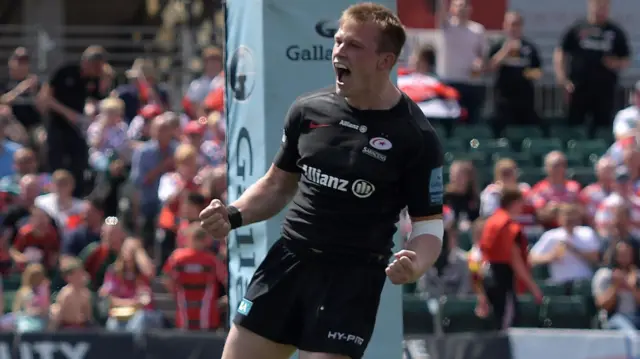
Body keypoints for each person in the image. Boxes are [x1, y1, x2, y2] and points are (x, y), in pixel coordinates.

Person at [199, 3, 444, 359]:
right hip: (287, 263)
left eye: (355, 46)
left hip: (351, 281)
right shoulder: (308, 110)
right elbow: (276, 185)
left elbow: (429, 227)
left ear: (385, 61)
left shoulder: (417, 137)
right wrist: (232, 215)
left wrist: (416, 263)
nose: (340, 52)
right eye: (339, 41)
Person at [553, 0, 630, 136]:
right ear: (591, 6)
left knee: (603, 127)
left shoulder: (615, 32)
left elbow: (625, 59)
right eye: (598, 5)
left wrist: (615, 63)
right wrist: (562, 79)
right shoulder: (578, 28)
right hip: (579, 88)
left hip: (605, 90)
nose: (601, 9)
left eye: (604, 6)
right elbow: (561, 52)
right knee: (575, 126)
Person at [38, 45, 106, 197]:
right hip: (57, 123)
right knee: (56, 161)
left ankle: (77, 196)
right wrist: (67, 113)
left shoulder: (93, 79)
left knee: (80, 161)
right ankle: (54, 195)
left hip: (76, 127)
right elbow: (46, 98)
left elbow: (96, 99)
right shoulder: (65, 71)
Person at [478, 186, 542, 329]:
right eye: (521, 202)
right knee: (506, 326)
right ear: (513, 203)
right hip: (502, 278)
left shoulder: (492, 221)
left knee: (496, 323)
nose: (522, 206)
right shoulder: (507, 224)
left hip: (489, 275)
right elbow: (515, 259)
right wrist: (533, 287)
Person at [487, 11, 542, 136]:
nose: (513, 28)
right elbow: (490, 67)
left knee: (526, 131)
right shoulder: (497, 45)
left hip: (525, 100)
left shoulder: (529, 47)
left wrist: (525, 73)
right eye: (511, 24)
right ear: (505, 26)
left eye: (517, 24)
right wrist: (505, 51)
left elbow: (538, 72)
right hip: (503, 100)